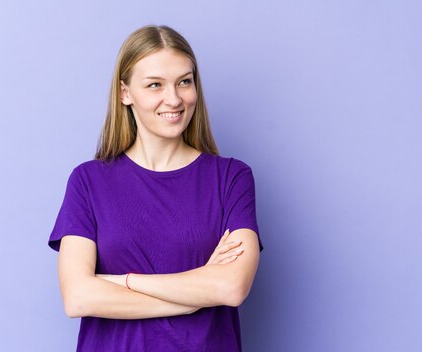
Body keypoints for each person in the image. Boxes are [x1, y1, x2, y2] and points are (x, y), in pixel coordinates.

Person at [47, 24, 264, 351]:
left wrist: (124, 282)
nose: (174, 98)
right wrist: (192, 298)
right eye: (155, 85)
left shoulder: (231, 178)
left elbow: (230, 288)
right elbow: (78, 297)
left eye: (184, 82)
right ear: (125, 93)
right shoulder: (88, 181)